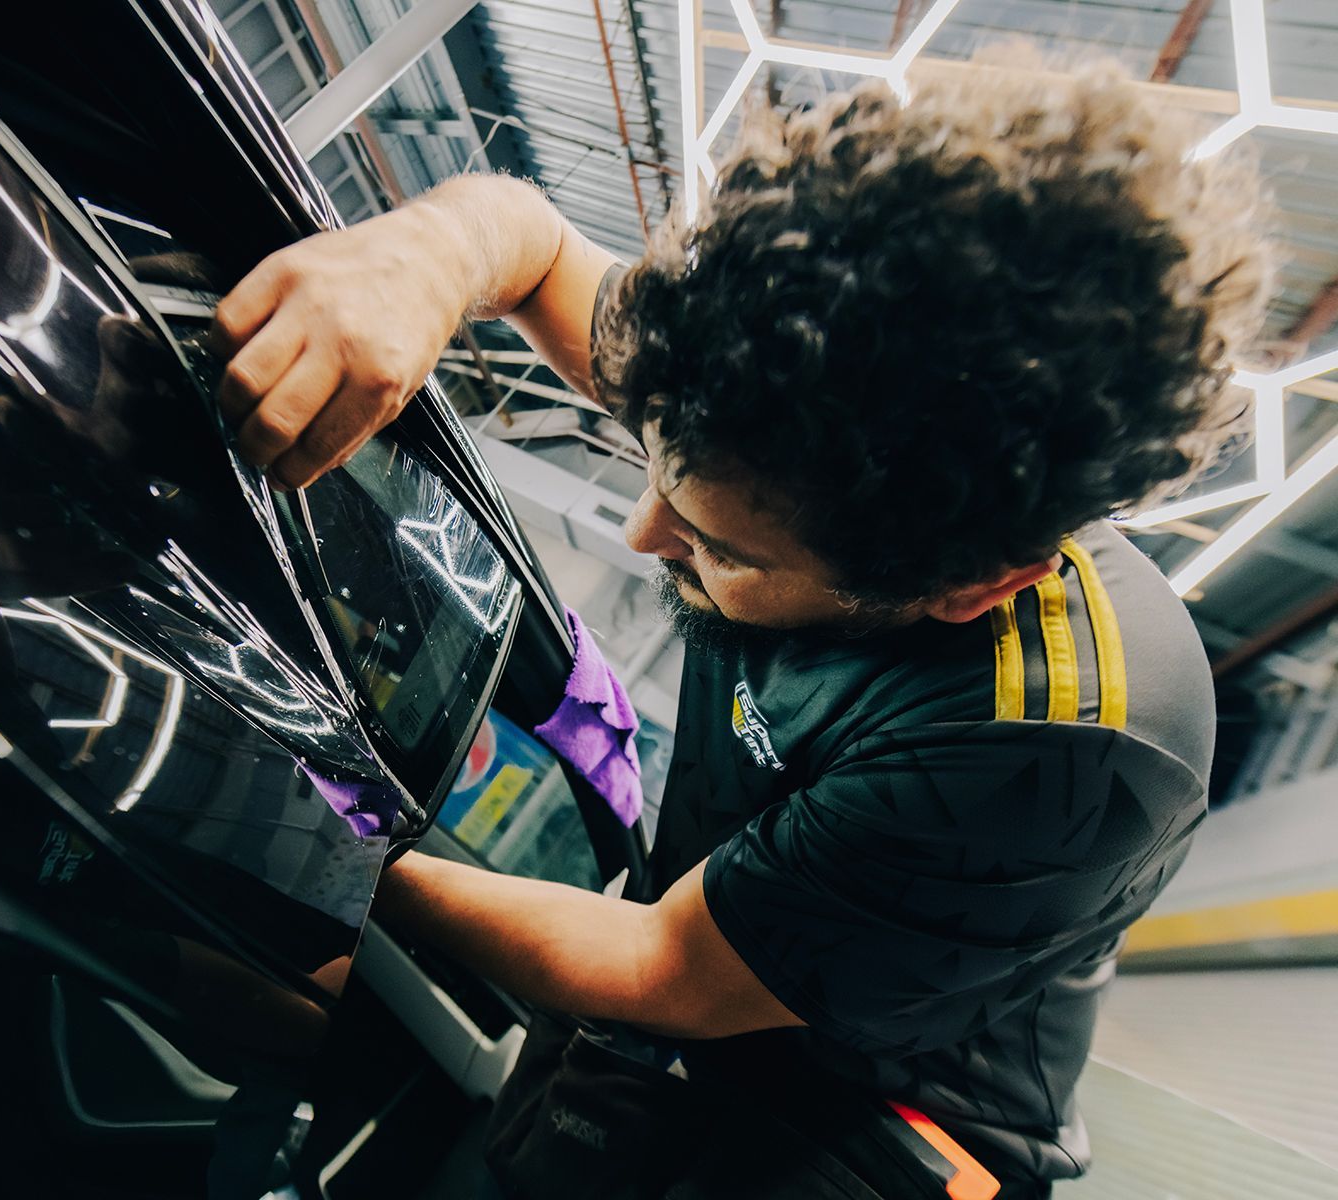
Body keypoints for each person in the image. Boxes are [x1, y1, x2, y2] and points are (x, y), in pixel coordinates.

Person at [209, 51, 1275, 1199]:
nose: (641, 532)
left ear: (963, 590)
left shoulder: (1059, 750)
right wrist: (421, 256)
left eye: (722, 550)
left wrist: (325, 832)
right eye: (655, 463)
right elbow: (536, 248)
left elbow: (665, 967)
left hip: (859, 1123)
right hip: (684, 977)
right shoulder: (772, 384)